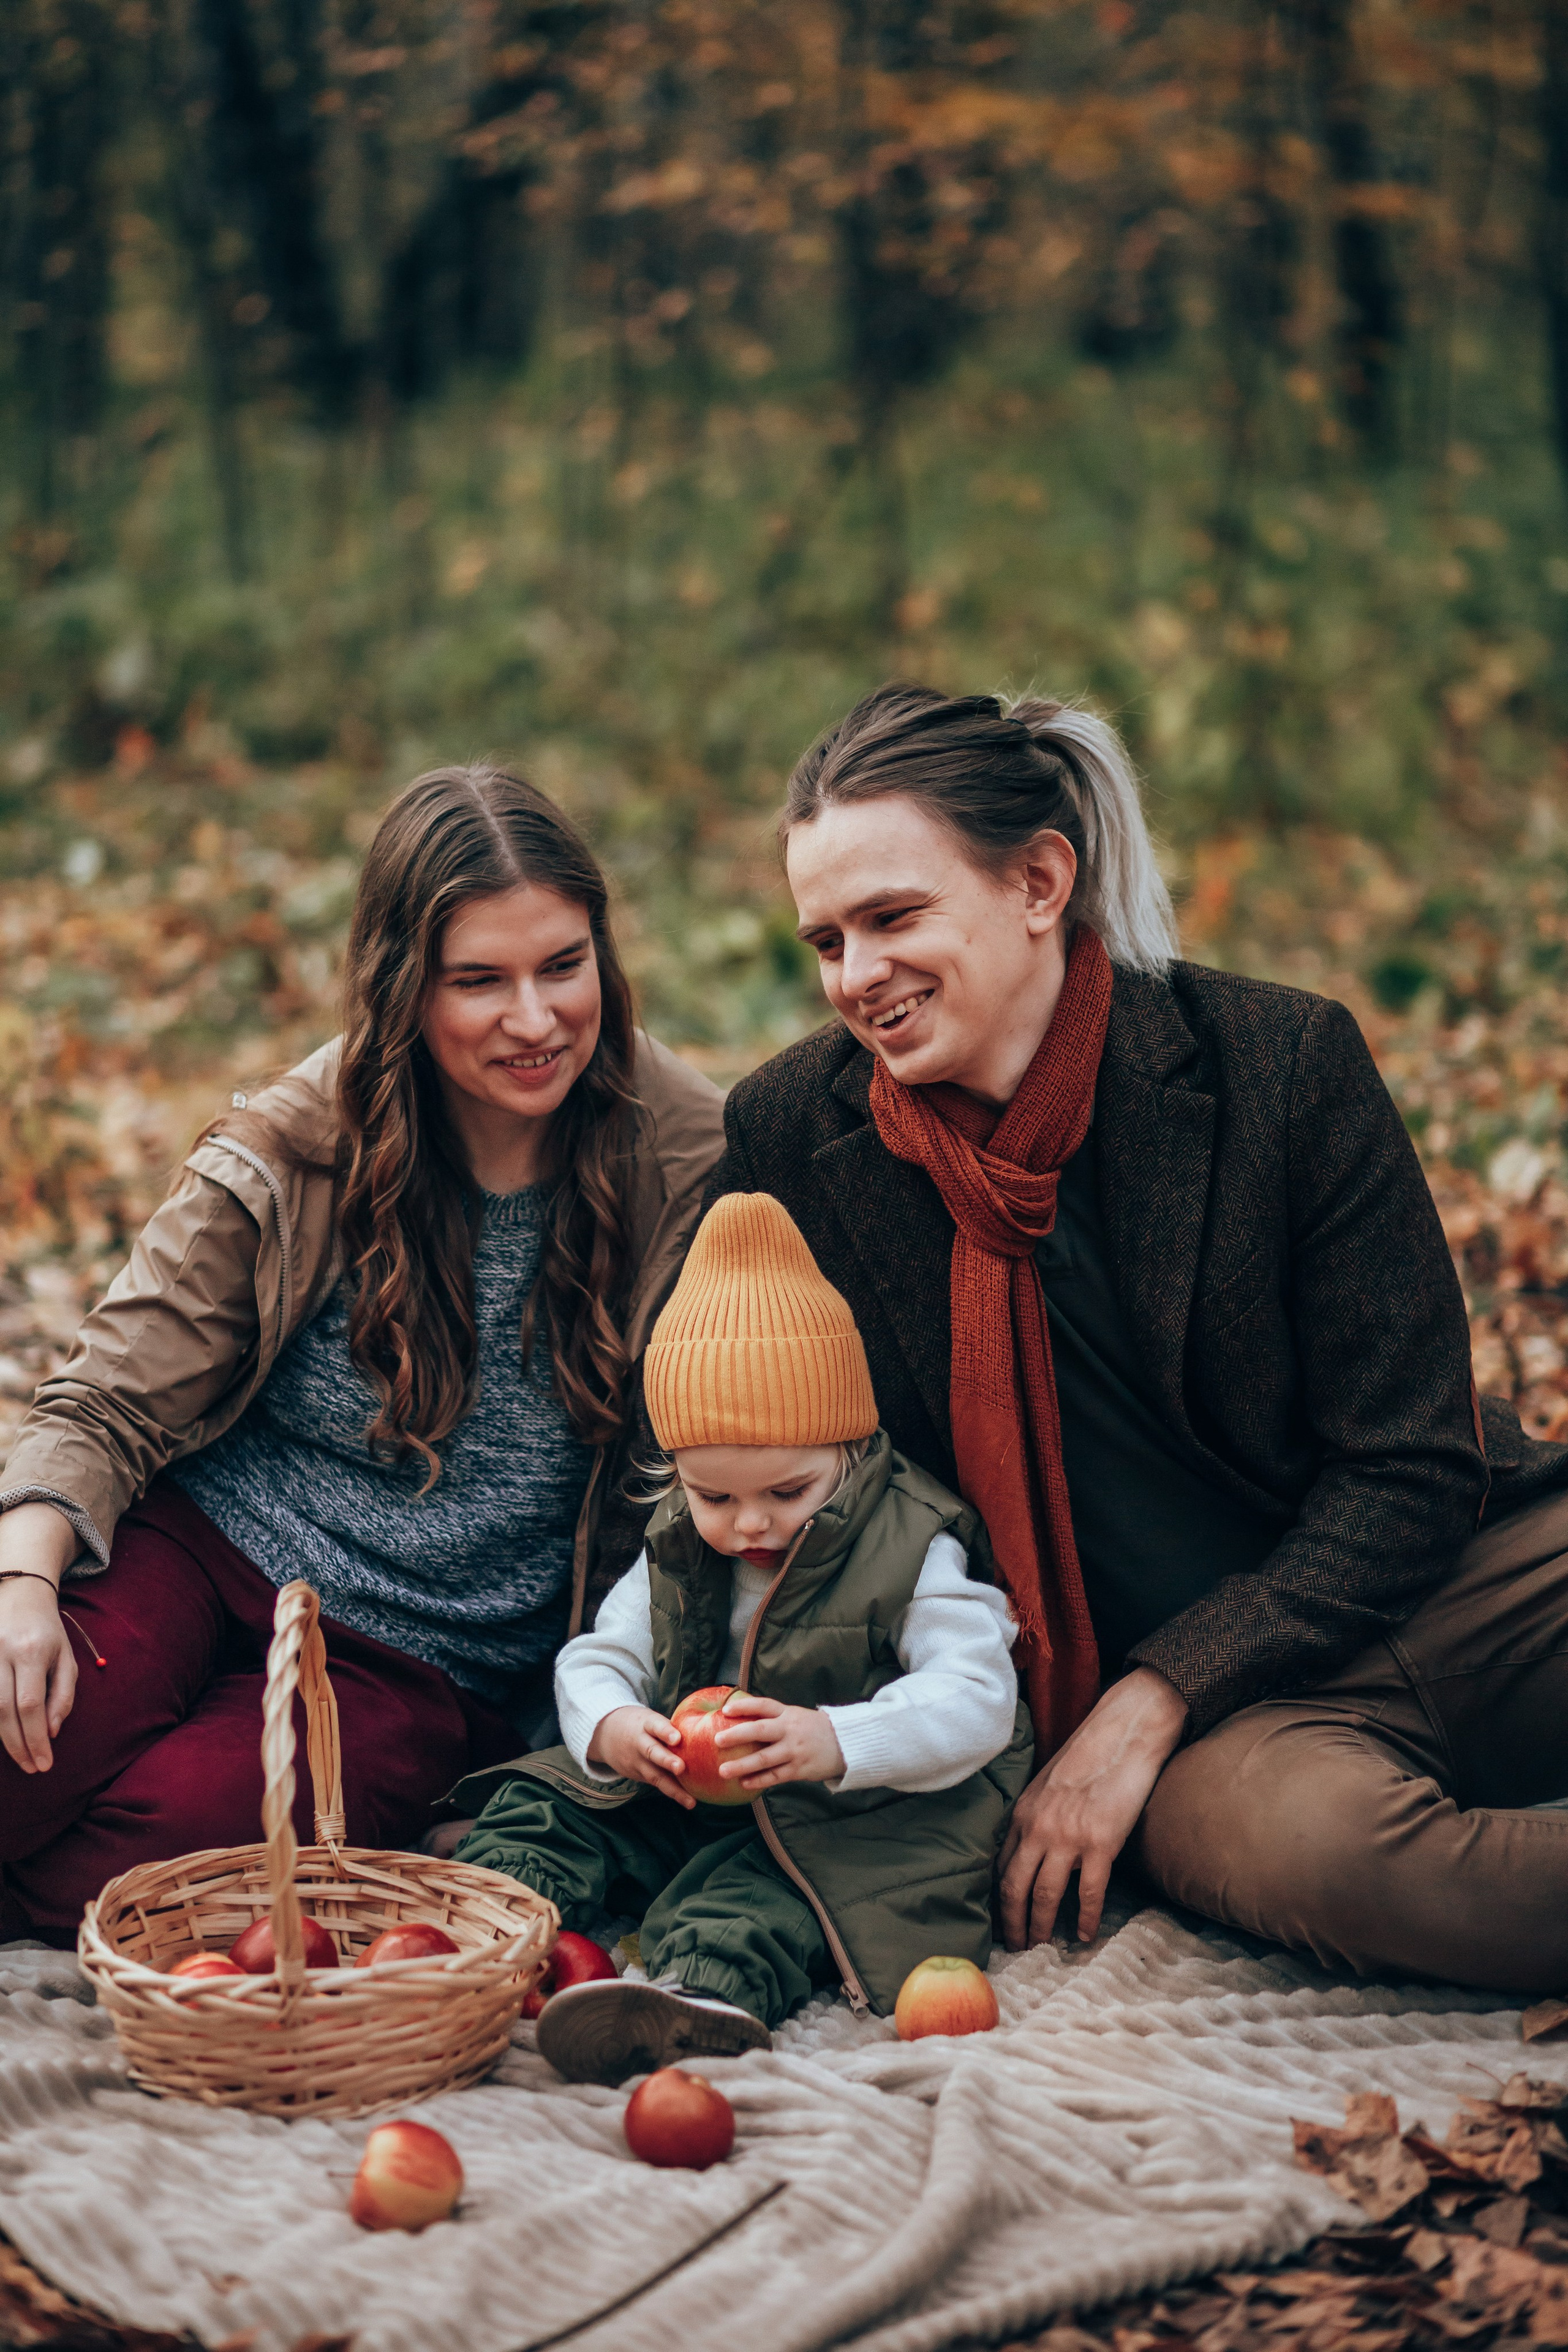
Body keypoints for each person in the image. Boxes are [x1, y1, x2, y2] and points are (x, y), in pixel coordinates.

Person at [702, 682, 1568, 1994]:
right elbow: (703, 1425)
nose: (855, 975)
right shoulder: (795, 1139)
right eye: (825, 939)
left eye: (892, 917)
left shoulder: (1276, 1062)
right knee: (1332, 1861)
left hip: (1455, 1583)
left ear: (1038, 882)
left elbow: (1411, 1466)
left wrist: (1150, 1696)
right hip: (1243, 1739)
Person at [0, 765, 724, 1941]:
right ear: (403, 989)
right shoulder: (300, 1142)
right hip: (203, 1554)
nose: (536, 1020)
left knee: (192, 1836)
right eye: (479, 981)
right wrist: (22, 1584)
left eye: (563, 965)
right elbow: (108, 1399)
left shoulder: (685, 1159)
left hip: (423, 1663)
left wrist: (551, 1768)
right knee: (25, 1725)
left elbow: (706, 1493)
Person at [453, 1189, 1031, 2081]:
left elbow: (979, 1698)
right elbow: (599, 1657)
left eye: (786, 1493)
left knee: (761, 1902)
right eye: (713, 1496)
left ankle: (695, 2000)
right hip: (689, 1792)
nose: (750, 1524)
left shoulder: (913, 1545)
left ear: (849, 1448)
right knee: (549, 1807)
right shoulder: (679, 1542)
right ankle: (470, 1931)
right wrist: (613, 1727)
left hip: (852, 1814)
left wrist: (836, 1740)